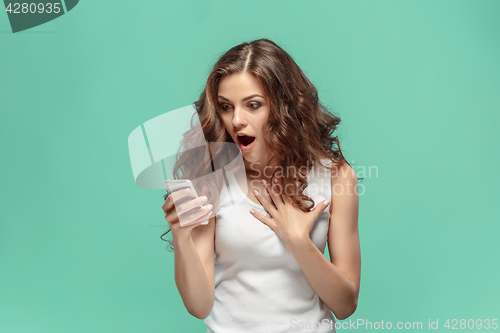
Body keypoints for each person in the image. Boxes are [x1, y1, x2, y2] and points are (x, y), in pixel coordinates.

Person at [161, 38, 361, 333]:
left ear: (285, 107)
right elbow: (199, 306)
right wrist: (181, 236)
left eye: (253, 105)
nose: (236, 120)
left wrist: (298, 242)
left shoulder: (336, 176)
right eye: (226, 107)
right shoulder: (211, 176)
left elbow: (346, 305)